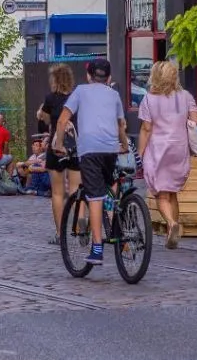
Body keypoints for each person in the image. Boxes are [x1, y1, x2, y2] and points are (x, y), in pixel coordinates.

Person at [53, 58, 128, 267]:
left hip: (90, 150)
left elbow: (62, 120)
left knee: (94, 197)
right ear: (109, 78)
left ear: (88, 76)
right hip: (110, 149)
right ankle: (119, 230)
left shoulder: (80, 91)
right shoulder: (114, 95)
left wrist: (59, 144)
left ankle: (96, 249)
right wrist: (123, 145)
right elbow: (120, 124)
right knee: (108, 189)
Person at [136, 60, 197, 249]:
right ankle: (175, 231)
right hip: (179, 149)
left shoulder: (149, 99)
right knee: (172, 192)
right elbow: (196, 119)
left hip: (158, 150)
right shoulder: (185, 96)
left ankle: (171, 224)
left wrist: (140, 152)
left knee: (161, 194)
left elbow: (146, 128)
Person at [38, 64, 79, 243]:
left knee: (57, 193)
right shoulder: (77, 98)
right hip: (75, 147)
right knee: (77, 190)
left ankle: (60, 233)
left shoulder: (50, 99)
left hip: (56, 148)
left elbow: (43, 119)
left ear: (54, 80)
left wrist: (41, 113)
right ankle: (79, 229)